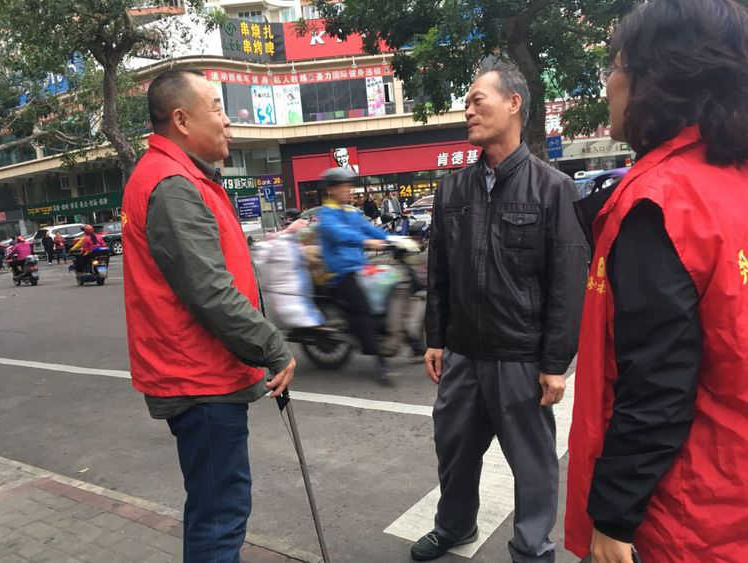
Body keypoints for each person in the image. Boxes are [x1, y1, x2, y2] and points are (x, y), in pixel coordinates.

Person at [565, 1, 748, 562]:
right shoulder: (733, 180)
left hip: (686, 513)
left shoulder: (659, 201)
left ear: (655, 77)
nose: (608, 83)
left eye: (615, 66)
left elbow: (656, 383)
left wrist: (613, 519)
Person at [414, 59, 588, 562]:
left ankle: (531, 549)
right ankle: (454, 526)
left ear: (513, 103)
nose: (467, 111)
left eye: (477, 100)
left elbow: (567, 283)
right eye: (466, 103)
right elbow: (440, 270)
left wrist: (554, 363)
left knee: (532, 466)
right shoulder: (452, 190)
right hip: (463, 354)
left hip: (521, 358)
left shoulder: (552, 188)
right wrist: (435, 338)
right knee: (454, 449)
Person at [121, 68, 296, 562]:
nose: (228, 119)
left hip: (200, 373)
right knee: (220, 515)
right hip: (198, 379)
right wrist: (272, 347)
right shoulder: (172, 183)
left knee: (216, 508)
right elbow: (210, 291)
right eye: (217, 107)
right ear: (181, 119)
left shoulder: (182, 176)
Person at [317, 167, 394, 377]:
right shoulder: (326, 215)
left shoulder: (351, 211)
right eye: (344, 186)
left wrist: (394, 239)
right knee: (364, 309)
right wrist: (367, 242)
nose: (349, 190)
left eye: (349, 186)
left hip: (360, 268)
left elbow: (368, 228)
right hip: (341, 274)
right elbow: (342, 234)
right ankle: (379, 362)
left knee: (391, 284)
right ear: (332, 189)